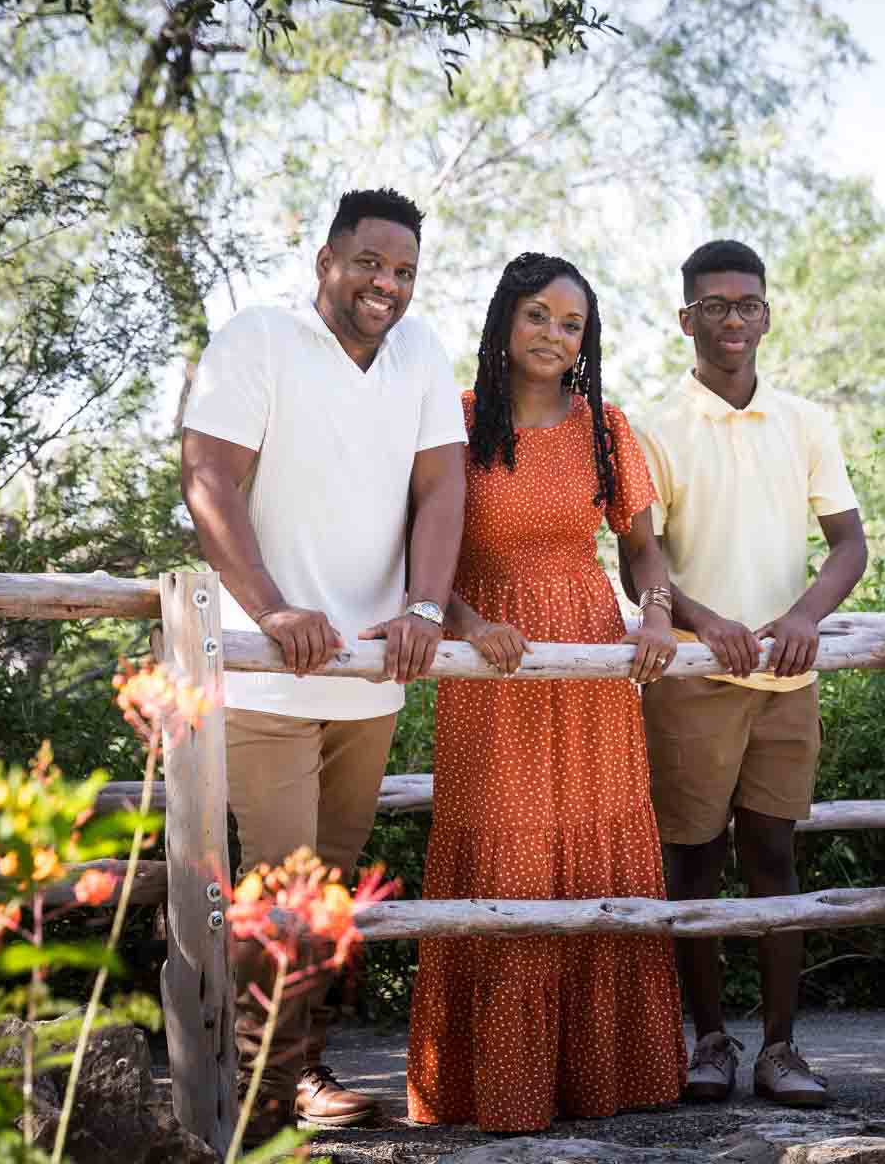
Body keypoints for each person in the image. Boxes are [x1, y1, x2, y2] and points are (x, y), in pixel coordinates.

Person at [180, 187, 466, 1127]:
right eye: (371, 264)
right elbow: (206, 475)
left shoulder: (420, 353)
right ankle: (258, 1089)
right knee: (283, 881)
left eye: (405, 272)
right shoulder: (257, 340)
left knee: (331, 887)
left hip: (370, 674)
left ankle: (300, 1069)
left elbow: (440, 491)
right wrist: (270, 608)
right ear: (325, 262)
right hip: (271, 667)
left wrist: (426, 605)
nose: (387, 284)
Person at [405, 252, 689, 1133]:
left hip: (592, 657)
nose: (554, 336)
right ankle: (496, 1085)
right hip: (491, 663)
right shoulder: (451, 422)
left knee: (598, 848)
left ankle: (609, 1075)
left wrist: (657, 615)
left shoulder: (606, 426)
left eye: (572, 325)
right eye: (538, 316)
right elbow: (417, 546)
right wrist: (463, 617)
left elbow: (642, 550)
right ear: (504, 320)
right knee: (507, 849)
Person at [624, 240, 868, 1109]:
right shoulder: (651, 425)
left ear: (768, 314)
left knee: (773, 854)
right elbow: (638, 556)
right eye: (716, 306)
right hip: (692, 676)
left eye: (749, 304)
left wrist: (804, 616)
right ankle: (710, 1043)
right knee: (693, 859)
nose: (735, 319)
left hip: (784, 679)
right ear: (686, 318)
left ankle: (781, 1048)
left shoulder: (804, 421)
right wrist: (701, 620)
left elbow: (850, 544)